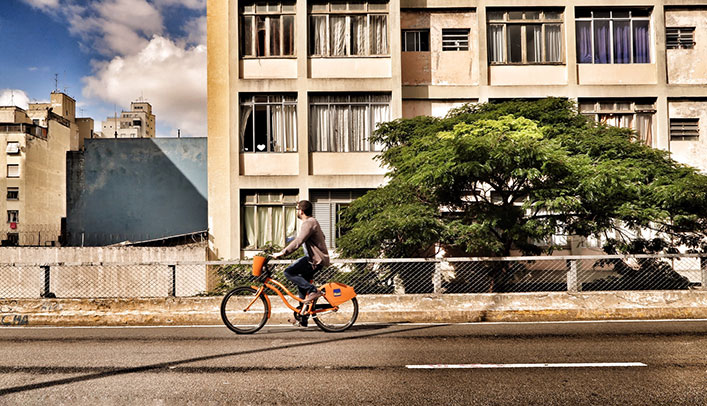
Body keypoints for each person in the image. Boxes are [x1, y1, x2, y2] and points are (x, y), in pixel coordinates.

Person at [272, 200, 330, 326]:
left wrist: (282, 253)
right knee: (301, 283)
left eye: (297, 210)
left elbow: (298, 241)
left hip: (315, 260)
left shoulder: (308, 223)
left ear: (301, 211)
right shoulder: (312, 222)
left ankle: (313, 290)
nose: (297, 212)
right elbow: (323, 237)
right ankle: (302, 316)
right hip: (312, 257)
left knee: (288, 272)